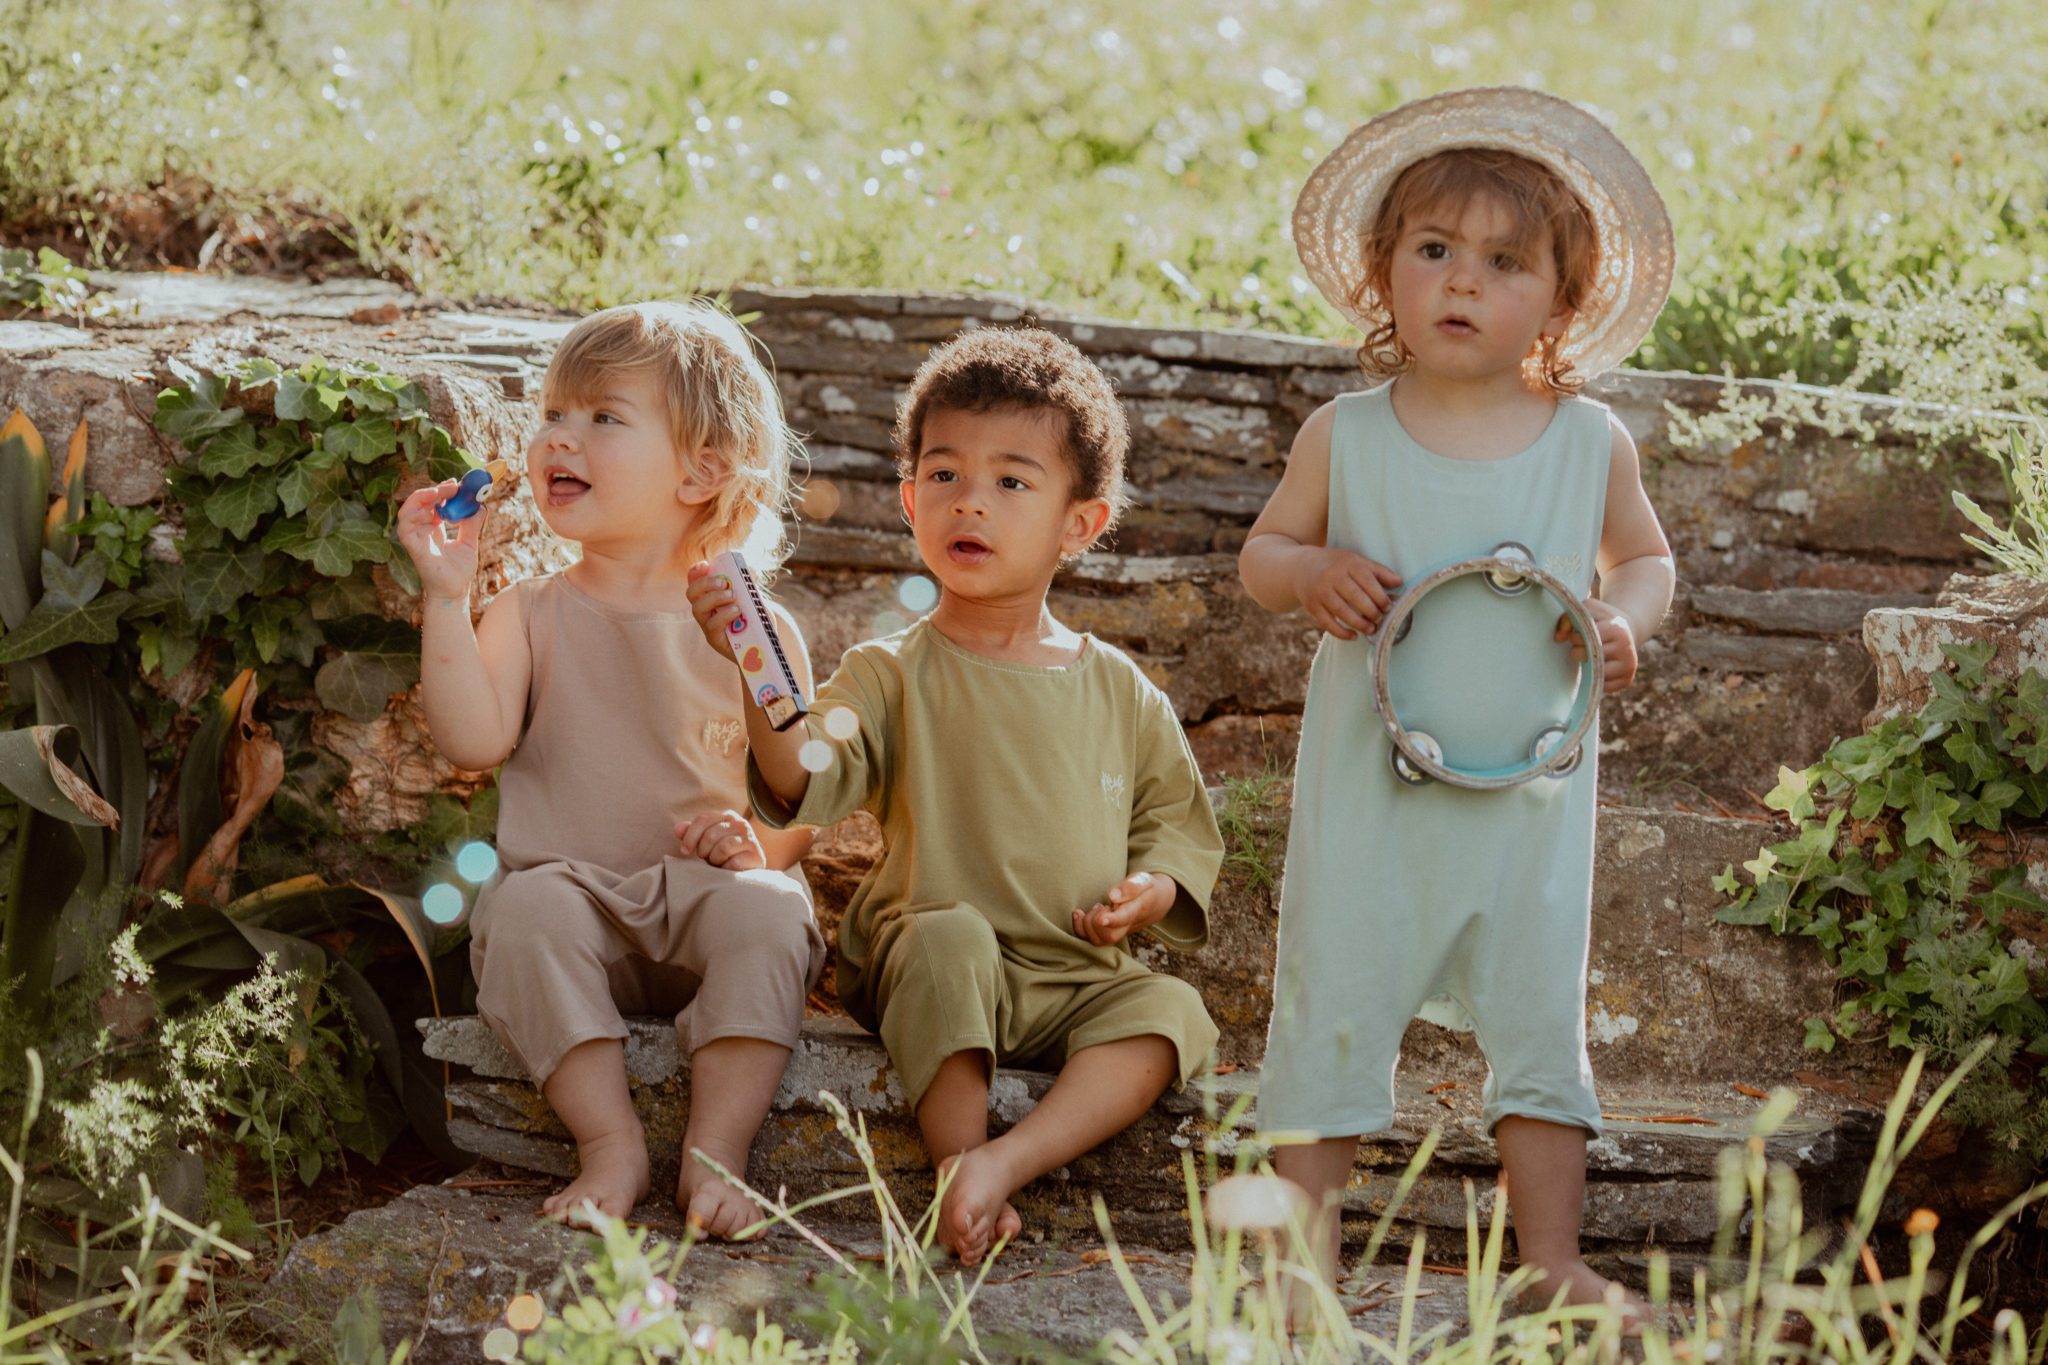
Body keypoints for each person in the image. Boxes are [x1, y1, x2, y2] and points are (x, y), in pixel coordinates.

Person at [1239, 86, 1677, 1316]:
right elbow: (1260, 556)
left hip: (1524, 805)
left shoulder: (1586, 443)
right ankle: (1299, 1273)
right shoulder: (1348, 434)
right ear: (1383, 272)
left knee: (1539, 1020)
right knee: (1330, 1002)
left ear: (1562, 298)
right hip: (1369, 798)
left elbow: (1643, 560)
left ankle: (1551, 1268)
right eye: (1432, 251)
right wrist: (1310, 573)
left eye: (1502, 261)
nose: (1460, 283)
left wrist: (1619, 618)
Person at [690, 326, 1222, 1266]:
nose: (970, 500)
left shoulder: (1121, 690)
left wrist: (1153, 890)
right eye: (944, 475)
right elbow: (800, 775)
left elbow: (1175, 830)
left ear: (1080, 524)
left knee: (1171, 1013)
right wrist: (752, 662)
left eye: (1013, 481)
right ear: (908, 500)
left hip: (1072, 977)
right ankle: (957, 1158)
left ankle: (1002, 1164)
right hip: (929, 955)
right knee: (951, 937)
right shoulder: (890, 672)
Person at [397, 300, 825, 1236]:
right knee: (523, 908)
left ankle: (718, 1154)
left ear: (702, 470)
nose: (560, 437)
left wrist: (756, 842)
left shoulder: (753, 620)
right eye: (553, 412)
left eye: (603, 418)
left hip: (706, 899)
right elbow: (471, 738)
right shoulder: (531, 609)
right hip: (574, 900)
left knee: (773, 911)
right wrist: (446, 595)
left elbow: (798, 800)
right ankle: (610, 1143)